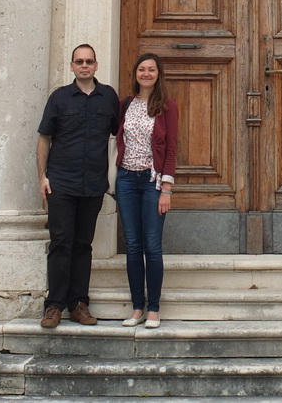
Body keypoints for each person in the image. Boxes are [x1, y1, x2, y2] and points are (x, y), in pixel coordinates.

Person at [36, 43, 119, 329]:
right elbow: (44, 138)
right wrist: (42, 177)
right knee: (61, 243)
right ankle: (54, 305)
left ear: (96, 65)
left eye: (89, 61)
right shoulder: (59, 98)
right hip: (61, 183)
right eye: (79, 61)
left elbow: (119, 135)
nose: (84, 66)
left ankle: (79, 305)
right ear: (72, 66)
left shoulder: (108, 97)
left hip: (93, 184)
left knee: (83, 245)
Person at [114, 52, 180, 329]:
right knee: (132, 245)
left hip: (153, 182)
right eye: (142, 69)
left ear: (158, 74)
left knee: (152, 245)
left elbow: (171, 148)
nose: (146, 74)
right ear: (135, 74)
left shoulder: (167, 106)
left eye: (151, 69)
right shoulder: (126, 104)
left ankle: (153, 309)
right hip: (126, 180)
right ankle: (137, 307)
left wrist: (167, 189)